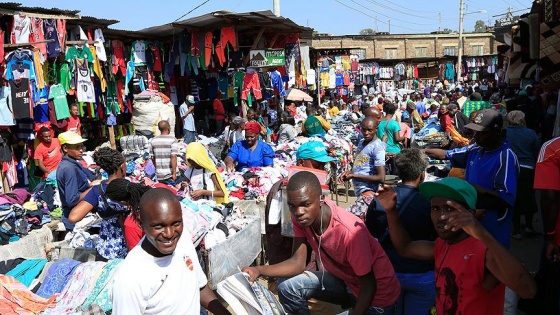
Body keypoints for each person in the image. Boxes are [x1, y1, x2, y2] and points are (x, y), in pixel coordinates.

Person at [243, 171, 401, 315]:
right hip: (347, 282)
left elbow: (369, 285)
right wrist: (259, 269)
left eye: (306, 204)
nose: (298, 212)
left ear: (321, 199)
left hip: (376, 298)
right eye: (292, 206)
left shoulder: (348, 232)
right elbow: (297, 263)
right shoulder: (301, 218)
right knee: (286, 287)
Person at [376, 177, 536, 315]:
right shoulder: (442, 245)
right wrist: (391, 211)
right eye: (435, 208)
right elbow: (405, 248)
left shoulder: (483, 251)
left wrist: (482, 233)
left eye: (450, 209)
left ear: (471, 214)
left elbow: (528, 290)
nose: (441, 217)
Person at [111, 188, 231, 315]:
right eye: (159, 226)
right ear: (141, 224)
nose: (169, 234)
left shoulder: (183, 238)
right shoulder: (129, 279)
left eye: (176, 223)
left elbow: (199, 286)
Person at [424, 109, 519, 248]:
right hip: (471, 225)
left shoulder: (505, 157)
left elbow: (506, 198)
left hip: (492, 229)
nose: (476, 136)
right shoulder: (475, 149)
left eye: (482, 133)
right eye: (475, 132)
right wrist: (423, 151)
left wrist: (476, 192)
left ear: (496, 133)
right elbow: (447, 154)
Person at [365, 149, 437, 315]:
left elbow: (371, 233)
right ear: (422, 174)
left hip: (389, 273)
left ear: (398, 171)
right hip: (421, 275)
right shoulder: (429, 203)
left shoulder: (380, 199)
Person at [264, 141, 336, 266]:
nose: (321, 170)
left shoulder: (315, 187)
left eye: (322, 166)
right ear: (301, 162)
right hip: (286, 255)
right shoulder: (282, 189)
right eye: (317, 165)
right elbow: (275, 227)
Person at [68, 147, 129, 260]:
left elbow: (73, 217)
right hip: (130, 244)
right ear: (121, 166)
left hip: (106, 248)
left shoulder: (98, 190)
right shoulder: (130, 187)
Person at [504, 111, 540, 239]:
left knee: (514, 198)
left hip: (510, 168)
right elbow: (537, 151)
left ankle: (517, 230)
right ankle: (530, 226)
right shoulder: (530, 133)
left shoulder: (504, 132)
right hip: (528, 168)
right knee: (529, 196)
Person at [341, 117, 386, 219]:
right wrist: (350, 172)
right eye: (363, 129)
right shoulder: (362, 142)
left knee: (347, 219)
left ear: (376, 129)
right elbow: (361, 164)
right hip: (360, 194)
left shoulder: (377, 147)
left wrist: (354, 176)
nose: (366, 133)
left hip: (368, 195)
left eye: (370, 130)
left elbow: (381, 177)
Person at [56, 131, 96, 230]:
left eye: (81, 146)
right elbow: (72, 199)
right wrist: (93, 188)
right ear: (65, 148)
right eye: (76, 147)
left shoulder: (74, 164)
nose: (81, 150)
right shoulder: (69, 168)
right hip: (76, 220)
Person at [105, 179, 151, 250]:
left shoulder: (132, 223)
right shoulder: (160, 191)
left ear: (123, 202)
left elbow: (135, 254)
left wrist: (123, 227)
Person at [150, 121, 179, 185]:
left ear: (159, 129)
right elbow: (173, 156)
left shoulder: (153, 140)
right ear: (168, 128)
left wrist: (157, 168)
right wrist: (174, 173)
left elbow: (152, 157)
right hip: (170, 174)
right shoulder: (173, 140)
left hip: (160, 175)